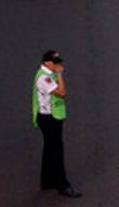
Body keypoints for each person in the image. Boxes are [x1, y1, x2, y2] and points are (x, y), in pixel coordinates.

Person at [32, 50, 82, 198]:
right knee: (57, 151)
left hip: (50, 116)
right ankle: (63, 185)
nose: (58, 66)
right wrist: (60, 75)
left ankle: (47, 181)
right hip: (49, 119)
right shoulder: (44, 79)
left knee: (49, 149)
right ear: (47, 63)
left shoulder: (47, 75)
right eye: (55, 63)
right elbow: (61, 93)